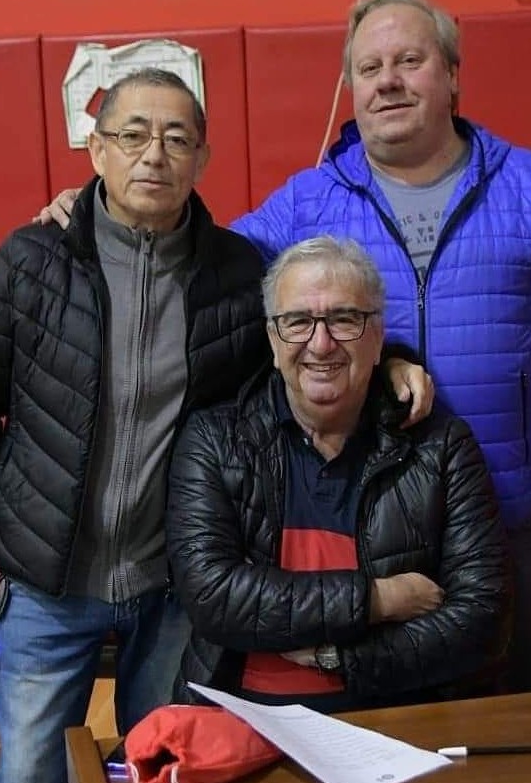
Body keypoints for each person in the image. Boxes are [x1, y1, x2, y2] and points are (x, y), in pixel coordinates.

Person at [38, 0, 531, 692]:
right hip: (377, 518)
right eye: (368, 66)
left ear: (450, 74)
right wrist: (99, 211)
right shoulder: (310, 199)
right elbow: (201, 261)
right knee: (381, 711)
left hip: (505, 507)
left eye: (409, 61)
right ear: (349, 87)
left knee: (513, 712)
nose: (387, 80)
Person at [0, 68, 271, 783]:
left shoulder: (240, 276)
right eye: (134, 134)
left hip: (177, 582)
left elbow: (308, 352)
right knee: (27, 771)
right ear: (96, 150)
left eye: (177, 138)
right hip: (46, 582)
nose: (154, 154)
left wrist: (391, 359)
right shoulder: (27, 264)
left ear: (202, 159)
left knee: (169, 766)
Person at [165, 236, 512, 712]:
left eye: (345, 319)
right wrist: (376, 599)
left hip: (394, 721)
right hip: (238, 718)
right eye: (298, 321)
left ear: (378, 339)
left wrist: (340, 658)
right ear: (272, 339)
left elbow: (483, 619)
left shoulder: (442, 448)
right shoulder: (214, 441)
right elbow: (214, 596)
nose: (321, 343)